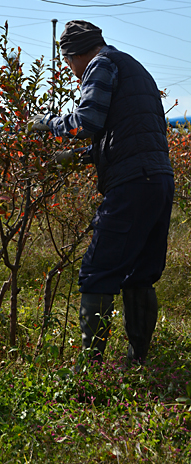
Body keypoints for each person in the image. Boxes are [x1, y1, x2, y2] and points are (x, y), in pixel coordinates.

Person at [29, 20, 174, 365]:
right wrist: (80, 157)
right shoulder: (133, 68)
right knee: (140, 272)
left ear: (76, 54)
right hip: (158, 180)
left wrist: (47, 124)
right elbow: (130, 133)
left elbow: (87, 120)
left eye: (68, 63)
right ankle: (137, 360)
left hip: (131, 184)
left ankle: (90, 366)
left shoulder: (100, 65)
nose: (71, 72)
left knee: (98, 270)